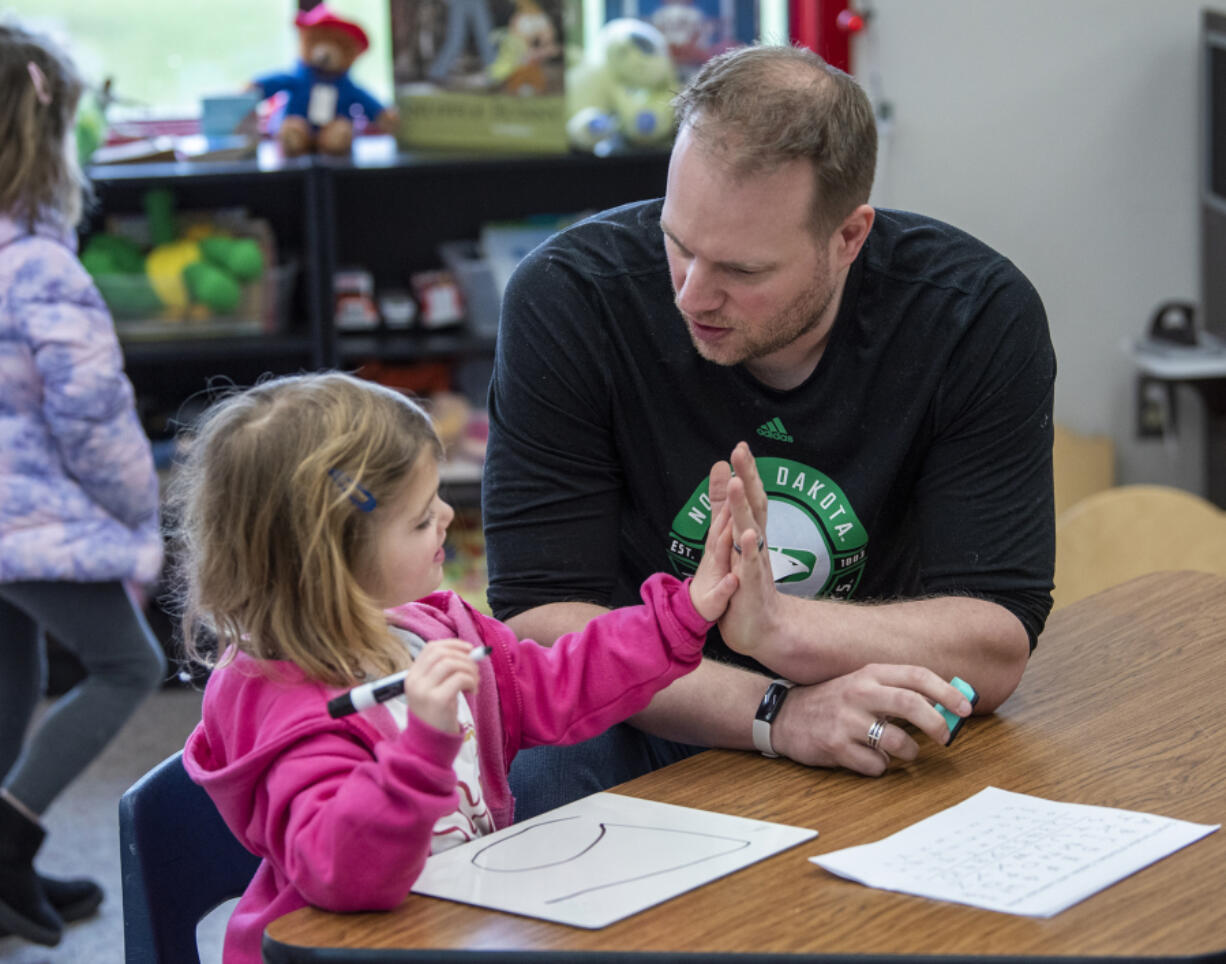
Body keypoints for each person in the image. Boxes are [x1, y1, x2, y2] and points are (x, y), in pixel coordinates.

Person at [482, 43, 1055, 819]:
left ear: (849, 237)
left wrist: (783, 630)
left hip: (862, 695)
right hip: (630, 704)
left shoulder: (972, 316)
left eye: (744, 272)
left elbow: (994, 642)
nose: (691, 295)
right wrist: (775, 714)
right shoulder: (571, 297)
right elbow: (539, 624)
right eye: (677, 243)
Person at [173, 371, 775, 964]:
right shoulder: (286, 706)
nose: (444, 517)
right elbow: (343, 877)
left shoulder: (427, 626)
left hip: (449, 926)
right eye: (417, 519)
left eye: (435, 495)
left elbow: (560, 682)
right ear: (326, 559)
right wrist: (420, 750)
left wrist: (684, 611)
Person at [0, 21, 166, 947]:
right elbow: (95, 419)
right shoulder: (42, 271)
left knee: (10, 675)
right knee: (126, 664)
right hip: (28, 520)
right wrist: (140, 508)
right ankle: (8, 835)